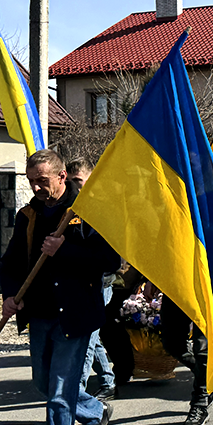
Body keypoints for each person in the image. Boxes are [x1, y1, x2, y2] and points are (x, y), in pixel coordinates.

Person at [0, 149, 120, 425]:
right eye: (31, 181)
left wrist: (64, 250)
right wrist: (10, 295)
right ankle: (95, 412)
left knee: (58, 394)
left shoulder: (86, 211)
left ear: (62, 176)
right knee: (43, 383)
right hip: (39, 314)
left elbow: (110, 259)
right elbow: (9, 264)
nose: (36, 187)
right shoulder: (28, 216)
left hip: (75, 315)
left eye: (42, 180)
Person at [66, 159, 117, 403]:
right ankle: (108, 381)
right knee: (92, 338)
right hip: (79, 284)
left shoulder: (101, 208)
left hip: (100, 284)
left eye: (78, 181)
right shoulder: (70, 208)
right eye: (69, 181)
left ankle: (77, 397)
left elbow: (107, 255)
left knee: (86, 341)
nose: (73, 186)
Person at [156, 293, 213, 425]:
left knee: (202, 349)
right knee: (172, 343)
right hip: (176, 283)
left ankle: (200, 403)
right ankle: (207, 377)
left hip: (208, 283)